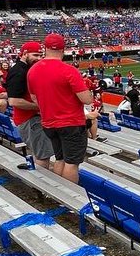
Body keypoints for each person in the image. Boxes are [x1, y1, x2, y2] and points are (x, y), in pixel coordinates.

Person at [25, 34, 92, 184]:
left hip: (49, 123)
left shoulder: (33, 70)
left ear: (45, 48)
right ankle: (69, 194)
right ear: (63, 49)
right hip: (71, 123)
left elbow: (35, 98)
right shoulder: (68, 70)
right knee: (71, 163)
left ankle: (58, 190)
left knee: (60, 159)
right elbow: (87, 99)